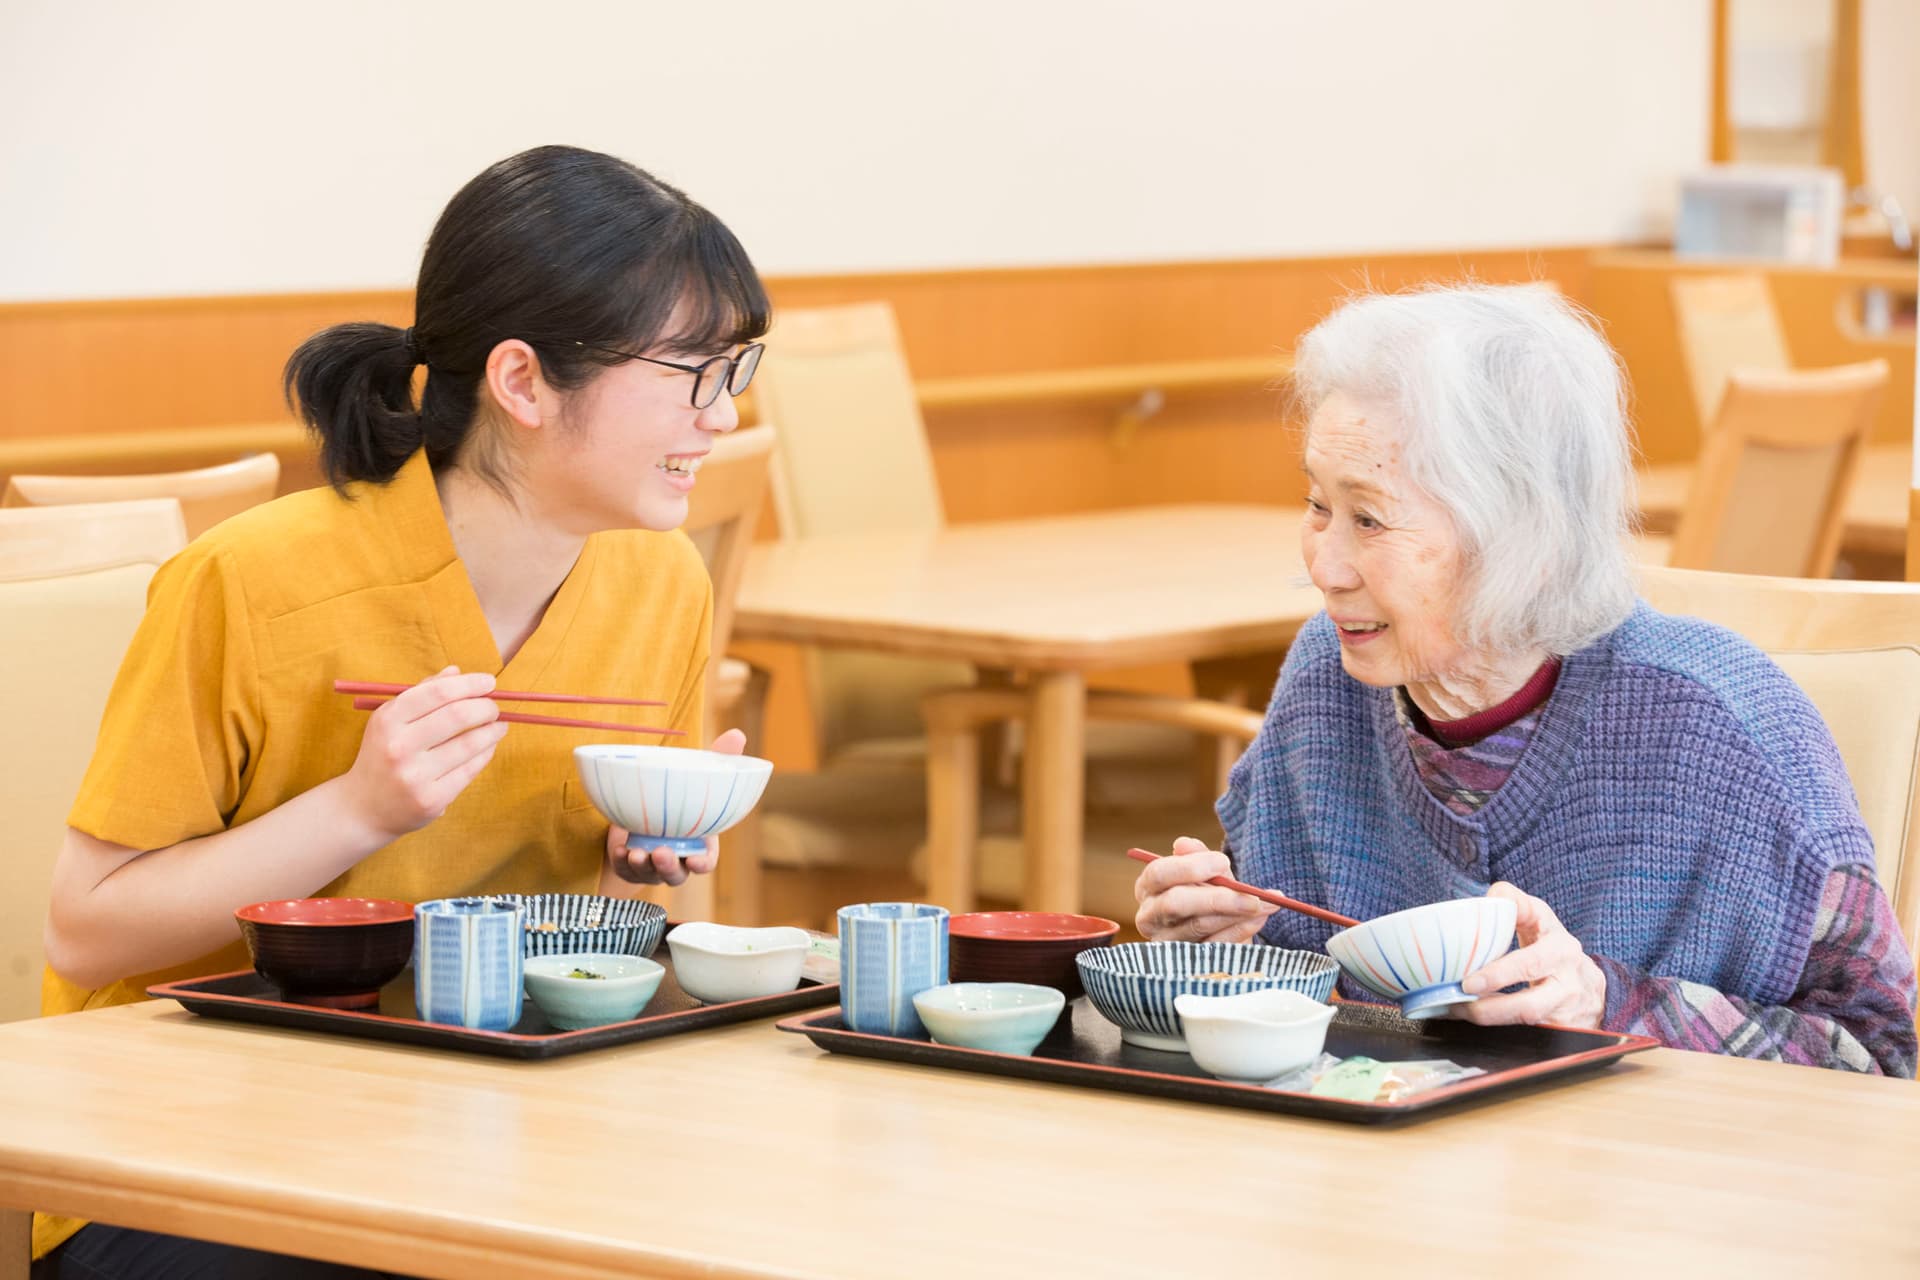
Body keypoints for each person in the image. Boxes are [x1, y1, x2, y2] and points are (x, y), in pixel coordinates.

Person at [34, 144, 768, 1277]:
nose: (725, 415)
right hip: (196, 1140)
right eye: (692, 371)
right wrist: (358, 807)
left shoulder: (658, 581)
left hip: (490, 1116)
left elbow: (580, 926)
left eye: (736, 368)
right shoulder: (255, 580)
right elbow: (86, 930)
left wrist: (645, 853)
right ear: (523, 382)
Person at [1133, 284, 1917, 1077]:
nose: (1324, 567)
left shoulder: (1727, 732)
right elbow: (1289, 1004)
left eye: (1369, 519)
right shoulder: (1327, 681)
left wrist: (1608, 1004)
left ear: (1525, 541)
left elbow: (1887, 1065)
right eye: (1316, 505)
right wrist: (1209, 945)